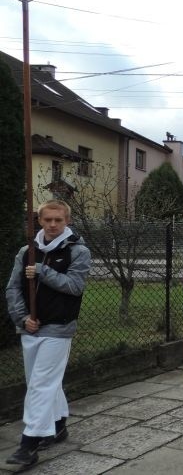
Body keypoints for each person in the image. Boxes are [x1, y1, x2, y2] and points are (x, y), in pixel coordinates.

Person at [5, 200, 91, 467]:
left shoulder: (78, 251)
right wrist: (22, 317)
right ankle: (58, 423)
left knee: (41, 383)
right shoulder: (27, 251)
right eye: (47, 220)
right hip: (31, 326)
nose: (53, 225)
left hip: (58, 328)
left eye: (58, 220)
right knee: (39, 382)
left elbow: (75, 286)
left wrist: (44, 271)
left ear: (67, 221)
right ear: (39, 221)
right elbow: (13, 289)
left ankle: (28, 444)